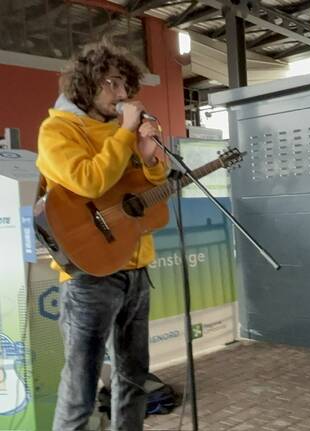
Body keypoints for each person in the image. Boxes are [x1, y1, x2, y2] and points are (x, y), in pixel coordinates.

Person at [36, 42, 168, 430]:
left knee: (132, 379)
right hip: (91, 276)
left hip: (136, 268)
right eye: (112, 83)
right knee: (81, 387)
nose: (123, 94)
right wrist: (126, 131)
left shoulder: (120, 133)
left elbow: (146, 190)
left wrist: (149, 157)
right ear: (86, 85)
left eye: (126, 84)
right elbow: (89, 181)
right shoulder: (57, 130)